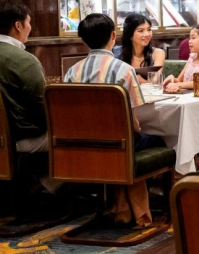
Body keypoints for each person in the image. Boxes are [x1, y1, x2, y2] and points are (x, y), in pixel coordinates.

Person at [63, 13, 165, 227]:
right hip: (119, 145)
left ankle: (119, 206)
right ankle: (146, 210)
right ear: (113, 36)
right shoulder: (124, 70)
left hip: (80, 145)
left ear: (83, 41)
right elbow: (134, 123)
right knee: (161, 139)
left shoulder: (72, 71)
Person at [0, 0, 47, 153]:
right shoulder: (25, 61)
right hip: (18, 142)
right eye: (29, 22)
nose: (30, 28)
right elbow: (41, 112)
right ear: (18, 26)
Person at [115, 13, 166, 82]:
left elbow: (155, 82)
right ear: (130, 34)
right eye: (141, 31)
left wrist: (138, 79)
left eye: (149, 29)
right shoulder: (115, 53)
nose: (147, 34)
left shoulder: (158, 53)